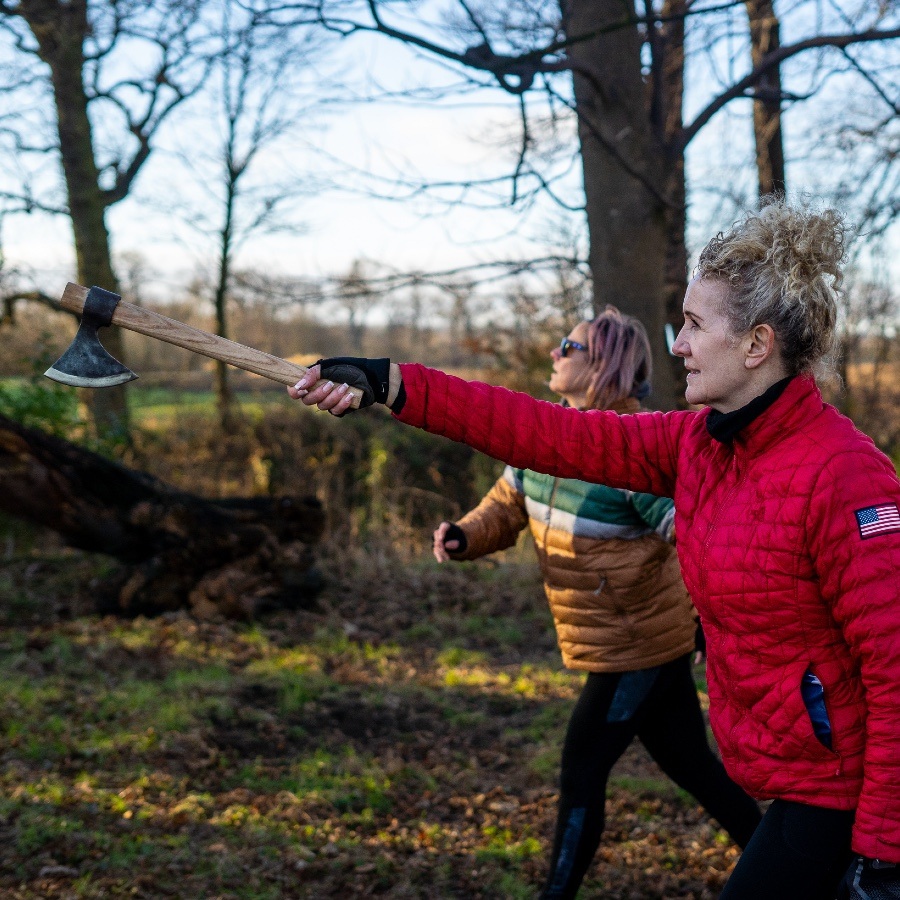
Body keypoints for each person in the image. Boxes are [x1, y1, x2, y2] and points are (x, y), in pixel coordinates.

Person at [289, 198, 900, 900]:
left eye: (695, 326)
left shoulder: (845, 474)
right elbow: (550, 435)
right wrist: (396, 386)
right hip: (795, 775)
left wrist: (884, 853)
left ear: (757, 345)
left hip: (847, 790)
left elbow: (895, 664)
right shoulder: (697, 445)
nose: (676, 344)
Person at [430, 307, 760, 899]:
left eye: (570, 346)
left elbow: (689, 533)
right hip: (619, 642)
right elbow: (506, 505)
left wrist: (731, 615)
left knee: (581, 771)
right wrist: (465, 535)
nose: (556, 354)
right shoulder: (546, 434)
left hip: (637, 648)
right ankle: (791, 869)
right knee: (696, 770)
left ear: (602, 363)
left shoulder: (630, 455)